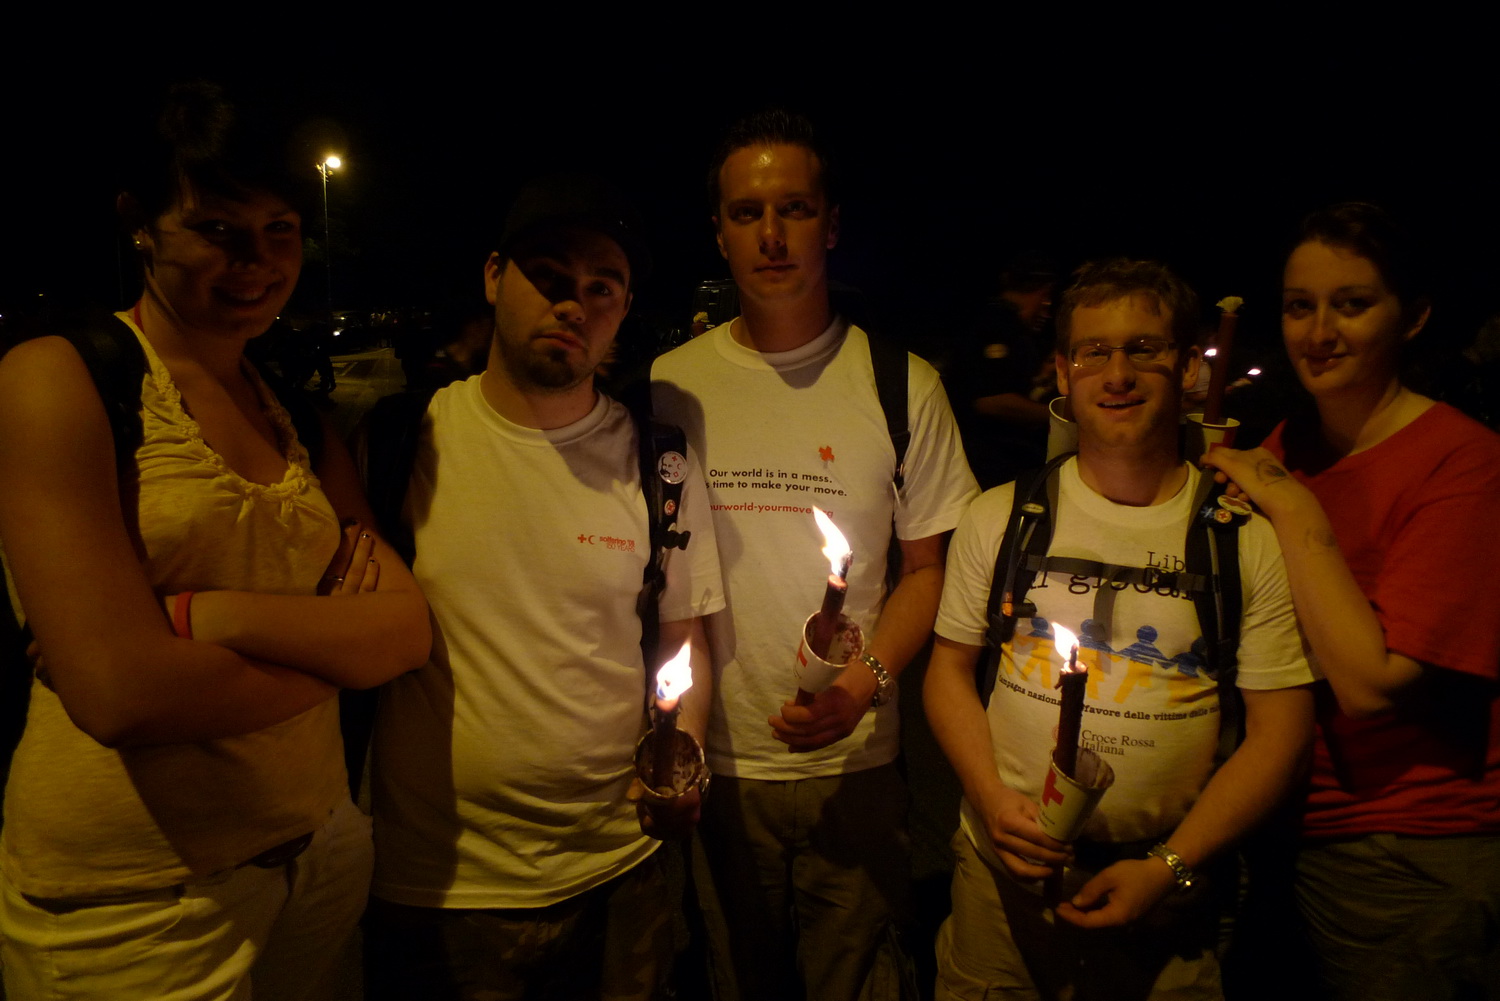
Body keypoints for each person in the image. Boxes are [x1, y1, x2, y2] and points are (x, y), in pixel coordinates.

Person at [0, 82, 430, 1001]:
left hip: (318, 852)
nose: (257, 261)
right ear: (140, 225)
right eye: (218, 229)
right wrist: (336, 650)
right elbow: (121, 694)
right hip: (139, 900)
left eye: (280, 230)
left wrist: (204, 615)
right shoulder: (64, 379)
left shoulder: (294, 417)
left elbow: (405, 632)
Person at [364, 175, 724, 1000]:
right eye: (551, 278)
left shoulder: (659, 462)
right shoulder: (406, 442)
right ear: (494, 276)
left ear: (624, 310)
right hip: (442, 887)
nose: (575, 305)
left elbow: (683, 637)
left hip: (620, 871)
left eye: (603, 288)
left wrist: (685, 761)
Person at [652, 110, 979, 1001]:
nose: (771, 234)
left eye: (794, 208)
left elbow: (927, 570)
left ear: (831, 225)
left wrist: (861, 684)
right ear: (719, 231)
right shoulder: (671, 389)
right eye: (746, 212)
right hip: (720, 765)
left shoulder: (901, 385)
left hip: (856, 769)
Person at [925, 258, 1316, 1000]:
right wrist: (990, 798)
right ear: (1063, 372)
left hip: (1167, 902)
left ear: (1188, 368)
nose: (1117, 374)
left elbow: (1282, 731)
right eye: (1093, 351)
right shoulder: (1001, 515)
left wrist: (1168, 866)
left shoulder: (1241, 539)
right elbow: (949, 672)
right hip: (1000, 885)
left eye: (1144, 349)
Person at [1202, 203, 1500, 1000]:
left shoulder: (1462, 461)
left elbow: (1374, 682)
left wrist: (1293, 508)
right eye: (1300, 306)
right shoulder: (1285, 446)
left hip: (1406, 841)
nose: (1319, 332)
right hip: (1279, 827)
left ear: (1414, 316)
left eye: (1353, 304)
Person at [948, 254, 1059, 488]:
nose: (1047, 310)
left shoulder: (1010, 329)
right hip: (992, 466)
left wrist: (1043, 377)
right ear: (1041, 291)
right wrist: (1064, 417)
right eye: (1047, 298)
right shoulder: (996, 327)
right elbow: (991, 401)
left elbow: (1011, 385)